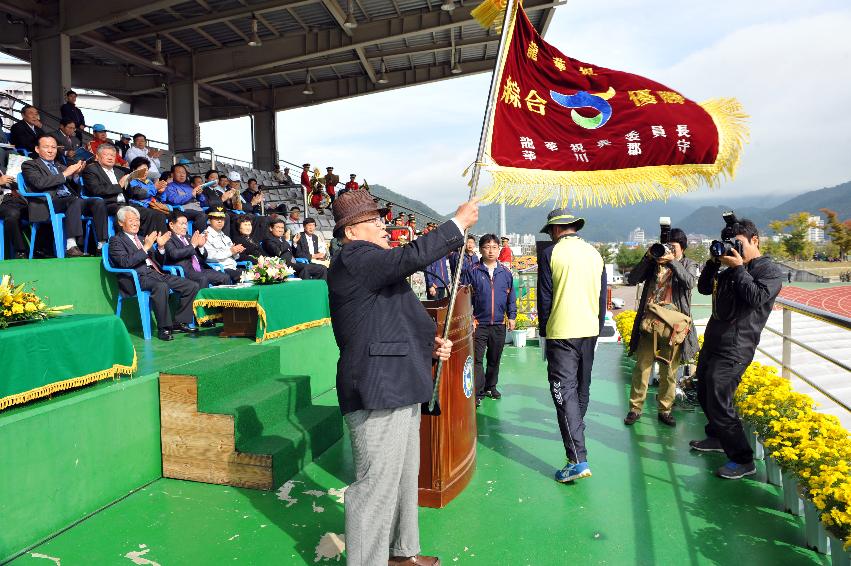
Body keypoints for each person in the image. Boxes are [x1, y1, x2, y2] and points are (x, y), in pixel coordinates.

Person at [327, 190, 477, 566]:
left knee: (403, 478)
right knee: (375, 485)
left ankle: (401, 553)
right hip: (377, 386)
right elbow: (410, 257)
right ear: (351, 232)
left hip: (400, 381)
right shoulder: (354, 258)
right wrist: (456, 224)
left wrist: (431, 344)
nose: (383, 226)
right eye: (374, 221)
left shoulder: (375, 269)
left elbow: (397, 318)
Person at [690, 217, 782, 480]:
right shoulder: (729, 266)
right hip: (714, 341)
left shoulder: (769, 270)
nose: (734, 248)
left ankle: (743, 460)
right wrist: (712, 262)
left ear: (755, 240)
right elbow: (705, 288)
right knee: (704, 390)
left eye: (738, 243)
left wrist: (739, 268)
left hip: (736, 347)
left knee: (720, 401)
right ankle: (718, 438)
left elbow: (755, 297)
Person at [537, 208, 606, 483]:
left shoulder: (550, 254)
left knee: (563, 392)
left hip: (561, 332)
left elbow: (545, 298)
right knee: (580, 390)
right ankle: (576, 442)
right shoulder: (595, 253)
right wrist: (597, 328)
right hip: (589, 331)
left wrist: (544, 334)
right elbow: (602, 298)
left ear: (554, 230)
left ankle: (577, 458)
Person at [624, 228, 698, 427]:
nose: (668, 250)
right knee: (642, 368)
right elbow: (632, 279)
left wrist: (672, 261)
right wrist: (647, 258)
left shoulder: (689, 264)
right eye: (666, 246)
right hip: (650, 324)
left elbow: (690, 282)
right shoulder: (654, 264)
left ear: (682, 247)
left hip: (674, 327)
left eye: (672, 247)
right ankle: (635, 408)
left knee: (669, 371)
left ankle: (665, 409)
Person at [108, 206, 200, 341]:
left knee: (192, 285)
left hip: (156, 274)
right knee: (161, 286)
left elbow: (159, 262)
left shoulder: (141, 238)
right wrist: (146, 247)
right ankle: (164, 328)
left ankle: (179, 322)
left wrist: (161, 247)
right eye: (131, 220)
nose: (135, 223)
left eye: (137, 220)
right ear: (121, 223)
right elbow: (124, 262)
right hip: (136, 278)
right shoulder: (116, 240)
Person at [462, 234, 516, 407]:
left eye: (494, 247)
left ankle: (491, 386)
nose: (491, 250)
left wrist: (512, 316)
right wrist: (469, 317)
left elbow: (511, 297)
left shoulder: (506, 273)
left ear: (499, 249)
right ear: (481, 249)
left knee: (494, 358)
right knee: (477, 359)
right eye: (487, 247)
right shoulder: (472, 271)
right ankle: (478, 391)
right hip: (479, 323)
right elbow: (464, 297)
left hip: (499, 323)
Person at [82, 144, 167, 240]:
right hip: (108, 204)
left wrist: (154, 189)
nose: (110, 158)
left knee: (155, 214)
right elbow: (96, 190)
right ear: (97, 156)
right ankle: (129, 243)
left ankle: (156, 244)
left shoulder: (120, 172)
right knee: (126, 212)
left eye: (113, 156)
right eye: (107, 155)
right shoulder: (91, 169)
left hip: (126, 203)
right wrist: (119, 186)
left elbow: (131, 192)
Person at [20, 134, 87, 257]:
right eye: (46, 147)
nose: (51, 150)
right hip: (47, 202)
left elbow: (74, 187)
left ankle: (101, 246)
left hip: (69, 200)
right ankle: (71, 244)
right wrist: (66, 174)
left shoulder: (59, 165)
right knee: (74, 201)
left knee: (98, 203)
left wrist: (77, 175)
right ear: (37, 149)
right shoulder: (29, 165)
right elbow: (39, 183)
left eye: (54, 147)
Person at [165, 210, 233, 288]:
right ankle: (202, 300)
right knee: (203, 279)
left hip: (200, 269)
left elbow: (203, 258)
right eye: (182, 224)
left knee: (225, 277)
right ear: (171, 225)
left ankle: (223, 300)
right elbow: (174, 254)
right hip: (185, 272)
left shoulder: (189, 237)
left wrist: (201, 247)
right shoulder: (168, 238)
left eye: (186, 224)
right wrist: (193, 245)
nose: (185, 227)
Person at [262, 219, 327, 280]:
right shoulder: (268, 240)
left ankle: (319, 288)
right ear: (271, 228)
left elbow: (293, 252)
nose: (281, 230)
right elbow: (278, 252)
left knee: (322, 268)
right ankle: (306, 288)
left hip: (294, 263)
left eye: (282, 228)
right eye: (278, 227)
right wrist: (287, 240)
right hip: (282, 265)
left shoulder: (282, 239)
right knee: (305, 268)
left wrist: (294, 243)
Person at [159, 164, 208, 232]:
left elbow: (204, 204)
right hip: (181, 210)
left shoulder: (189, 187)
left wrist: (200, 195)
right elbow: (175, 200)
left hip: (197, 210)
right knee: (202, 215)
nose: (182, 175)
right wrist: (191, 194)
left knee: (218, 215)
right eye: (179, 172)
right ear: (172, 175)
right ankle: (197, 238)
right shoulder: (170, 187)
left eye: (184, 173)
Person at [203, 206, 243, 283]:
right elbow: (209, 257)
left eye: (222, 219)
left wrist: (236, 252)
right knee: (245, 276)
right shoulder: (205, 236)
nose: (220, 221)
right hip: (220, 269)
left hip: (233, 267)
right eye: (216, 219)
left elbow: (235, 257)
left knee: (254, 273)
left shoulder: (226, 237)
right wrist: (231, 251)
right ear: (209, 220)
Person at [0, 168, 28, 259]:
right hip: (3, 202)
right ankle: (20, 252)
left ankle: (42, 250)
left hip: (18, 199)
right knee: (12, 214)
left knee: (41, 209)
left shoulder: (3, 169)